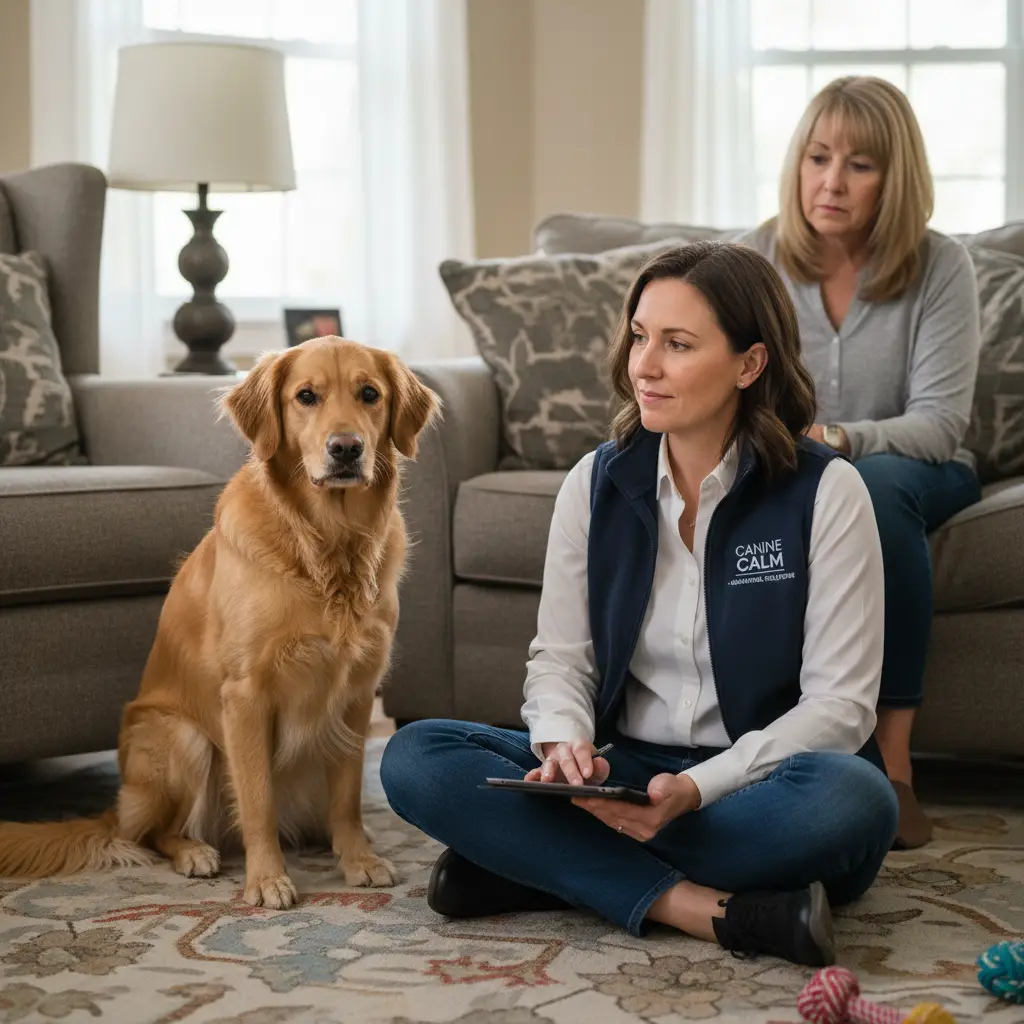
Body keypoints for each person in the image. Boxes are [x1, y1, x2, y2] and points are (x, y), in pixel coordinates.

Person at [381, 241, 898, 968]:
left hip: (760, 780)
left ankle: (536, 865)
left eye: (677, 345)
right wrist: (564, 745)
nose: (643, 367)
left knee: (854, 802)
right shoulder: (593, 483)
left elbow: (840, 709)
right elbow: (561, 660)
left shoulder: (828, 492)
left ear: (750, 365)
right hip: (624, 768)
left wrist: (694, 788)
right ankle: (702, 908)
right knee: (415, 756)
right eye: (639, 337)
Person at [738, 76, 982, 849]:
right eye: (817, 157)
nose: (831, 182)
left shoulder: (942, 267)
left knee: (868, 490)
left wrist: (840, 441)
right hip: (792, 464)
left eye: (860, 165)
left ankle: (895, 765)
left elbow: (939, 424)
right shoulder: (754, 259)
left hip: (915, 472)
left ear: (897, 176)